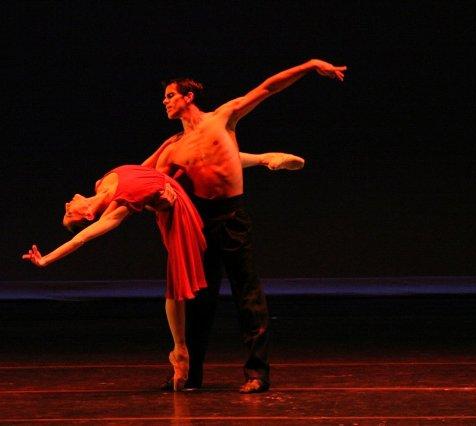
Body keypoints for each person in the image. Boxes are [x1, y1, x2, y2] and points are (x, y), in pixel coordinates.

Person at [146, 58, 346, 393]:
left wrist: (310, 66)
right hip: (198, 222)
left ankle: (257, 373)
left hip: (231, 218)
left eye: (170, 95)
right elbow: (139, 179)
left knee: (247, 295)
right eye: (164, 97)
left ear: (188, 98)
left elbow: (268, 87)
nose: (165, 101)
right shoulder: (173, 147)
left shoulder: (222, 118)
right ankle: (190, 375)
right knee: (198, 300)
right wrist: (93, 202)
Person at [21, 164, 208, 391]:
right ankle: (180, 350)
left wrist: (156, 202)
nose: (67, 204)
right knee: (176, 283)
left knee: (178, 281)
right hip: (178, 213)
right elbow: (79, 239)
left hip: (171, 192)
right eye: (69, 212)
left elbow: (143, 184)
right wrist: (45, 260)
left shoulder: (101, 183)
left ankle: (180, 352)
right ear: (89, 215)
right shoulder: (115, 211)